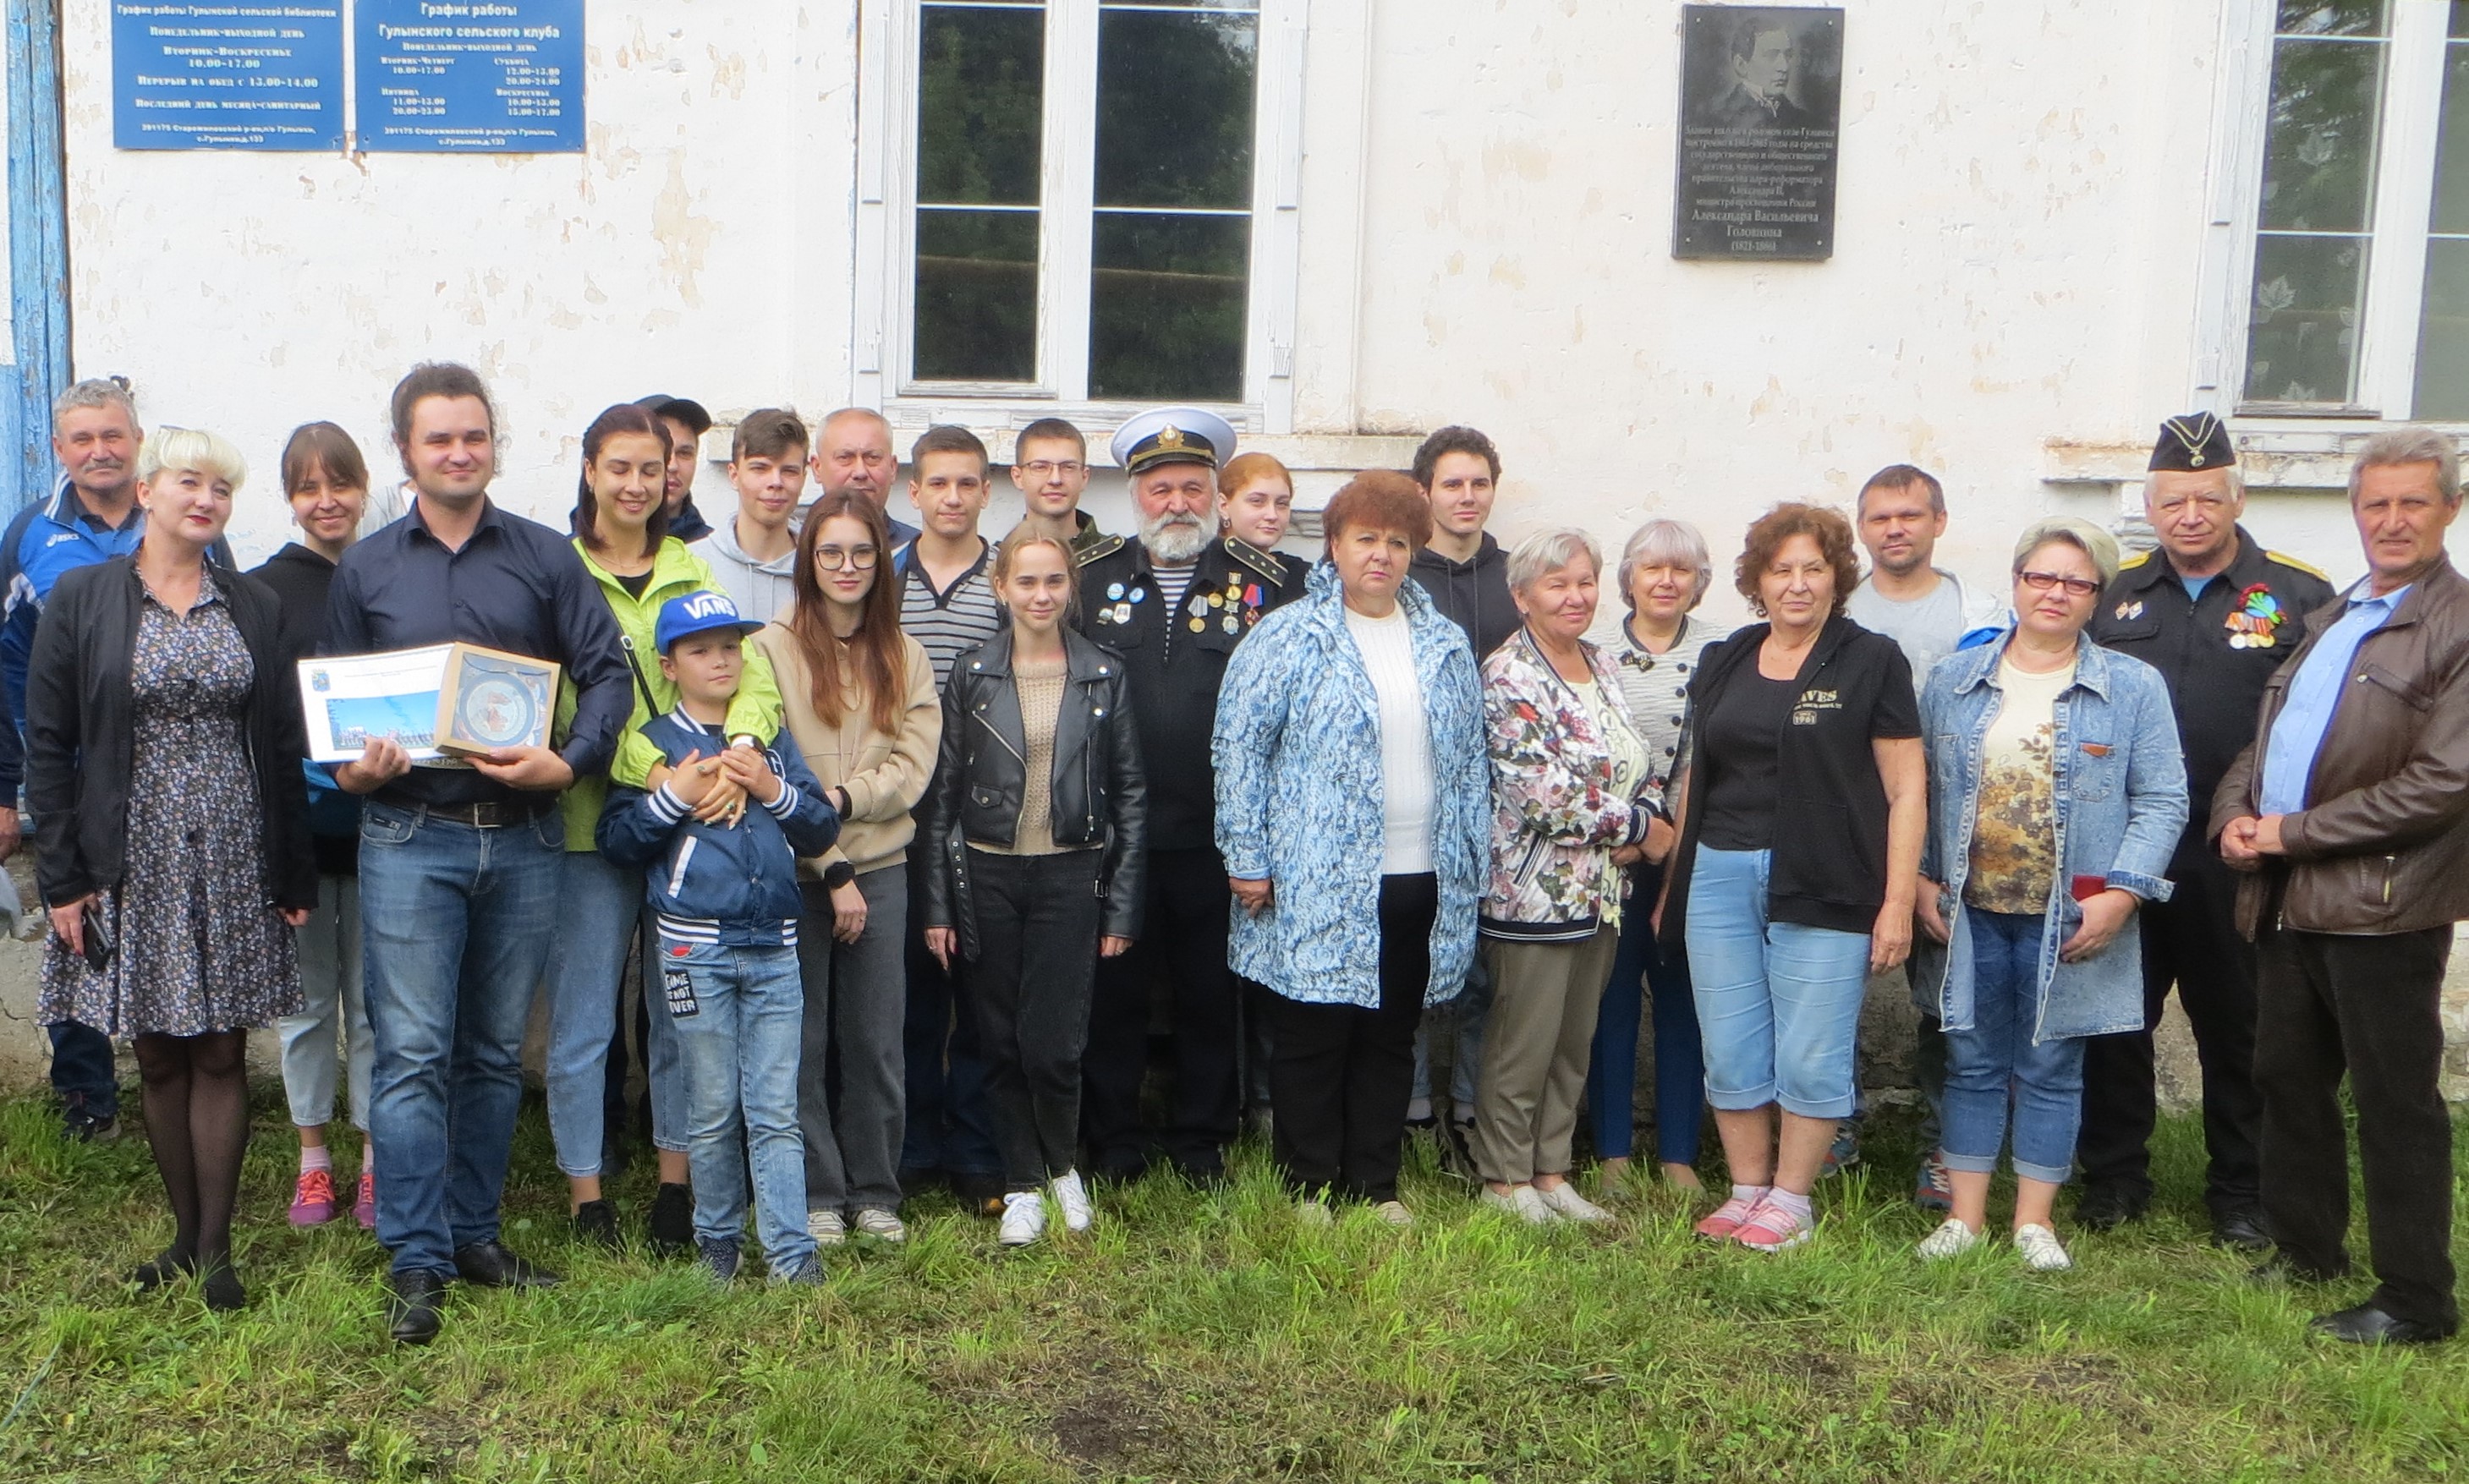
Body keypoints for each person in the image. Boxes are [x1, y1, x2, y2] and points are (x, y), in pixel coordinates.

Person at [325, 363, 635, 1345]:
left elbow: (610, 675)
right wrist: (356, 771)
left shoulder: (545, 558)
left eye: (474, 436)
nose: (459, 453)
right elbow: (334, 718)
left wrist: (569, 761)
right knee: (412, 1054)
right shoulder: (366, 570)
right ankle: (416, 1257)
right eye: (439, 439)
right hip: (408, 837)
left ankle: (474, 1235)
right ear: (406, 452)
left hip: (525, 838)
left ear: (493, 445)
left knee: (496, 1055)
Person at [28, 426, 315, 1310]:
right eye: (190, 482)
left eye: (221, 489)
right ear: (148, 491)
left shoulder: (253, 603)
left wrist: (292, 871)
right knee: (155, 1053)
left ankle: (217, 1250)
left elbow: (281, 741)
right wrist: (63, 878)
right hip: (131, 853)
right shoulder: (82, 597)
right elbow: (49, 743)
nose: (206, 500)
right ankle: (182, 1240)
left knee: (222, 1048)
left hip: (231, 850)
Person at [2217, 427, 2469, 1347]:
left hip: (2386, 906)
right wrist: (2234, 815)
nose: (2391, 520)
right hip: (2292, 899)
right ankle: (2305, 1248)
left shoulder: (2458, 625)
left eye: (2413, 502)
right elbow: (2270, 740)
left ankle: (2414, 1299)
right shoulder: (2336, 615)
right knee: (2287, 1079)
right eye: (2376, 503)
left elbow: (2444, 783)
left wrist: (2293, 832)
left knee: (2396, 1104)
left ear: (2451, 508)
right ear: (2355, 510)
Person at [2077, 413, 2335, 1248]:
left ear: (2238, 499)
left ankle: (2242, 1192)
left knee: (2241, 1024)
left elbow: (2327, 721)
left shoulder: (2297, 594)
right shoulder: (2114, 593)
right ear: (2149, 508)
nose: (2189, 515)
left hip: (2236, 850)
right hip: (2126, 846)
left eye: (2206, 499)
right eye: (2172, 501)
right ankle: (2114, 1178)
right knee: (2115, 1019)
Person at [1910, 518, 2186, 1273]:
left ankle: (2034, 1222)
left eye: (2075, 581)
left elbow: (2162, 799)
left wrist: (2122, 894)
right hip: (1968, 911)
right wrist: (1921, 880)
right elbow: (1917, 789)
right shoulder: (1953, 681)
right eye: (2041, 576)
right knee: (1968, 1061)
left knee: (2051, 1067)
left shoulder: (2131, 687)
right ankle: (1964, 1219)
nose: (2055, 593)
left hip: (2069, 916)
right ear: (2016, 581)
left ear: (2096, 596)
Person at [1214, 471, 1488, 1225]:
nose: (1381, 555)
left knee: (1390, 1033)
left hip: (1418, 872)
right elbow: (1238, 750)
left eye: (1397, 541)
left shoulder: (1442, 642)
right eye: (1365, 538)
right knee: (1314, 1032)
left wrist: (1470, 862)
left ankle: (1374, 1184)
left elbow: (1469, 761)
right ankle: (1308, 1185)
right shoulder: (1288, 636)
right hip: (1315, 875)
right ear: (1333, 545)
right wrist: (1246, 856)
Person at [546, 402, 784, 1251]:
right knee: (585, 1021)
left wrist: (737, 752)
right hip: (592, 827)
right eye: (620, 468)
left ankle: (676, 1184)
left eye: (653, 468)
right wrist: (651, 770)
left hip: (697, 831)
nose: (638, 484)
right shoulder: (559, 569)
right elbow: (562, 700)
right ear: (590, 471)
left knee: (682, 1012)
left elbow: (751, 680)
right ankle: (586, 1192)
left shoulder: (690, 566)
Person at [1659, 502, 1925, 1251]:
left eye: (1813, 568)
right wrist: (1676, 885)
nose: (1797, 584)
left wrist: (1896, 901)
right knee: (1730, 1044)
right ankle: (1746, 1189)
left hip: (1826, 874)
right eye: (1781, 570)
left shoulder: (1871, 658)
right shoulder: (1727, 656)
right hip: (1718, 872)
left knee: (1810, 1049)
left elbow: (1906, 787)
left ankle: (1791, 1199)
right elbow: (1696, 776)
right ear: (1757, 581)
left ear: (1837, 577)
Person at [2, 378, 228, 1143]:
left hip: (170, 777)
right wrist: (7, 784)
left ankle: (190, 1067)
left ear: (137, 445)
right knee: (76, 925)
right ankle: (86, 1093)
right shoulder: (30, 535)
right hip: (66, 770)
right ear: (58, 449)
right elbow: (4, 662)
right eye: (82, 438)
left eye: (112, 435)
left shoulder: (181, 515)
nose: (98, 450)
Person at [599, 590, 843, 1286]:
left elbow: (820, 827)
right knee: (709, 1108)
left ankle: (792, 1252)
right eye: (700, 650)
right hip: (692, 951)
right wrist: (674, 795)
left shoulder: (767, 737)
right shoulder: (652, 743)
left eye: (730, 647)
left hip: (774, 947)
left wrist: (768, 786)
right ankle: (717, 1243)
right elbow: (618, 840)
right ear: (668, 665)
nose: (720, 661)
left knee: (775, 1109)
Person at [920, 528, 1148, 1246]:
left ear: (1070, 588)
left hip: (1071, 873)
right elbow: (943, 797)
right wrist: (936, 905)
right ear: (1002, 588)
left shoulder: (1102, 673)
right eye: (1026, 581)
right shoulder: (973, 673)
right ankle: (1021, 1182)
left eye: (1054, 581)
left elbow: (1130, 794)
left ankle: (1063, 1169)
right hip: (987, 873)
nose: (1040, 595)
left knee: (1054, 1043)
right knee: (998, 1040)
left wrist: (1121, 905)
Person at [1075, 408, 1264, 1184]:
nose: (1177, 503)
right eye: (1161, 489)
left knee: (1209, 995)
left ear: (1216, 494)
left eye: (1192, 487)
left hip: (1217, 836)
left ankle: (1200, 1140)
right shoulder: (1088, 578)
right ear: (1135, 496)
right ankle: (1113, 1139)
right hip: (1113, 835)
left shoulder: (1265, 585)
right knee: (1113, 993)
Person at [750, 491, 941, 1247]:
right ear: (808, 560)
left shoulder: (905, 653)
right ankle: (817, 1194)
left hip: (883, 866)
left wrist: (841, 801)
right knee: (800, 1044)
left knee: (875, 1040)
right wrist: (828, 860)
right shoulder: (769, 649)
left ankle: (874, 1190)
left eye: (862, 551)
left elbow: (913, 765)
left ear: (881, 561)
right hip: (797, 873)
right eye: (830, 551)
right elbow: (770, 765)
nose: (847, 566)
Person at [1473, 530, 1660, 1226]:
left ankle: (1550, 1172)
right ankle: (1504, 1180)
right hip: (1533, 894)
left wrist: (1647, 814)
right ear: (1522, 596)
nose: (1575, 596)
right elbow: (1542, 794)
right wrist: (1638, 828)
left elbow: (1636, 760)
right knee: (1522, 1044)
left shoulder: (1600, 662)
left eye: (1584, 581)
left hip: (1602, 892)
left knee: (1570, 1043)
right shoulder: (1508, 674)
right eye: (1557, 584)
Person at [1843, 463, 2005, 1202]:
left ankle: (1946, 1145)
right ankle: (1832, 1125)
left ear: (1938, 521)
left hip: (1952, 834)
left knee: (1949, 999)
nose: (1894, 529)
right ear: (1861, 529)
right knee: (1830, 983)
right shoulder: (1837, 611)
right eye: (1879, 517)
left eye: (1909, 514)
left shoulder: (1982, 616)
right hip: (1849, 826)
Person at [255, 422, 380, 1229]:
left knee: (375, 1007)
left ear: (364, 487)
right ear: (289, 497)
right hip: (298, 833)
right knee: (304, 1006)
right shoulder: (264, 591)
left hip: (384, 832)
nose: (326, 501)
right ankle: (312, 1160)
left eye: (340, 483)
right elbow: (259, 718)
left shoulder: (390, 573)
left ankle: (374, 1160)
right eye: (308, 487)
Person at [890, 426, 1009, 1213]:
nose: (953, 497)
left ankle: (974, 1150)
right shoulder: (884, 576)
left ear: (986, 493)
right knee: (907, 989)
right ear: (914, 492)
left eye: (967, 483)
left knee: (978, 987)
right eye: (938, 482)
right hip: (900, 805)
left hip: (985, 808)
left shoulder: (1005, 579)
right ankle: (908, 1146)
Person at [1587, 518, 1724, 1197]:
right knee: (1610, 1003)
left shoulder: (1722, 651)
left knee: (1682, 1006)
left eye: (1680, 569)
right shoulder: (1594, 650)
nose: (1665, 581)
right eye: (1652, 568)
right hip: (1613, 854)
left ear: (1699, 582)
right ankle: (1611, 1151)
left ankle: (1678, 1155)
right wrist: (1634, 833)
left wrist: (1677, 841)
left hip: (1692, 858)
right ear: (1629, 578)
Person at [1404, 425, 1517, 1167]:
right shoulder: (1399, 574)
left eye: (1479, 483)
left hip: (1507, 802)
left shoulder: (1515, 578)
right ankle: (1413, 1111)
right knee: (1413, 959)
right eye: (1452, 483)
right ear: (1425, 493)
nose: (1467, 496)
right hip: (1418, 796)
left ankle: (1475, 1112)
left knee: (1488, 968)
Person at [1215, 450, 1311, 1124]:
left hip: (1285, 804)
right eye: (1257, 501)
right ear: (1224, 505)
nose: (1271, 514)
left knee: (1273, 952)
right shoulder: (1206, 577)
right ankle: (1233, 1096)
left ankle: (1272, 1097)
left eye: (1281, 502)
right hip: (1217, 790)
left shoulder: (1302, 582)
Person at [692, 407, 808, 626]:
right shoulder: (694, 565)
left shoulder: (824, 569)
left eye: (789, 471)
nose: (776, 482)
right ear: (734, 475)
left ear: (804, 477)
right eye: (760, 468)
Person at [807, 408, 920, 547]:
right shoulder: (797, 549)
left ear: (892, 468)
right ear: (817, 468)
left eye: (872, 457)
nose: (860, 472)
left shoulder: (916, 551)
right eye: (845, 457)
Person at [1010, 416, 1113, 565]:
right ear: (1018, 477)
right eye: (1040, 467)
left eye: (1068, 467)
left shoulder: (1117, 561)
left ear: (1084, 477)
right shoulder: (1001, 560)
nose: (1055, 479)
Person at [1699, 17, 1818, 131]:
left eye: (1788, 55)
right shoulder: (1718, 120)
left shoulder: (1805, 120)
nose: (1784, 67)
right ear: (1741, 65)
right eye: (1771, 55)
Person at [636, 394, 715, 544]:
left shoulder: (708, 551)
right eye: (661, 451)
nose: (672, 466)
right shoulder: (592, 547)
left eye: (684, 453)